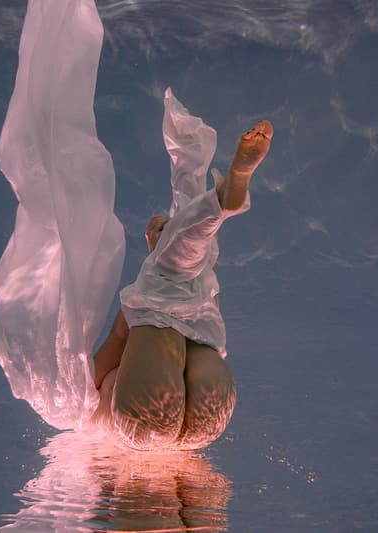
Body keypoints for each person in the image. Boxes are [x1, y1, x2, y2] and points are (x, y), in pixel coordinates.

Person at [90, 120, 274, 451]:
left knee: (182, 272)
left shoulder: (141, 314)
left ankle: (216, 198)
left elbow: (89, 385)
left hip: (155, 416)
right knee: (186, 270)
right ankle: (216, 194)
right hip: (209, 399)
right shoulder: (195, 296)